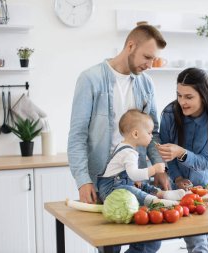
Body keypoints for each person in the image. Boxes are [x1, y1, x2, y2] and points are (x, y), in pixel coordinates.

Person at [68, 24, 170, 253]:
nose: (150, 65)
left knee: (151, 240)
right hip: (104, 179)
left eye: (154, 59)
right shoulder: (90, 79)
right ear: (130, 46)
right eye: (147, 57)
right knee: (110, 247)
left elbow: (153, 133)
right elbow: (77, 135)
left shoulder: (146, 84)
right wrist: (83, 180)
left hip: (137, 176)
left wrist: (159, 169)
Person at [157, 68, 208, 253]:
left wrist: (180, 152)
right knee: (197, 244)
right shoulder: (170, 113)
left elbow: (205, 162)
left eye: (189, 97)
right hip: (184, 189)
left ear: (203, 95)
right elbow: (165, 153)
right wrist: (177, 178)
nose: (182, 102)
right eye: (179, 95)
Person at [98, 109, 185, 207]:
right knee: (131, 191)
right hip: (110, 189)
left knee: (142, 185)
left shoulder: (124, 147)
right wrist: (154, 169)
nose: (152, 136)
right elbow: (134, 175)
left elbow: (129, 174)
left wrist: (135, 180)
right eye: (149, 133)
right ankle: (156, 202)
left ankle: (163, 194)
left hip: (119, 182)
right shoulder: (129, 152)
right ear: (135, 134)